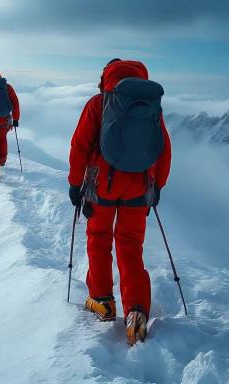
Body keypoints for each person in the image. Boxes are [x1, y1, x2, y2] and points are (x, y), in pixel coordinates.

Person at [68, 59, 172, 345]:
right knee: (130, 246)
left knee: (99, 238)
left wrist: (75, 184)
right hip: (138, 189)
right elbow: (163, 149)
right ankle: (136, 310)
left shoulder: (97, 104)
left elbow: (79, 146)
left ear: (106, 77)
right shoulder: (151, 106)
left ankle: (102, 301)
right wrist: (157, 186)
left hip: (100, 186)